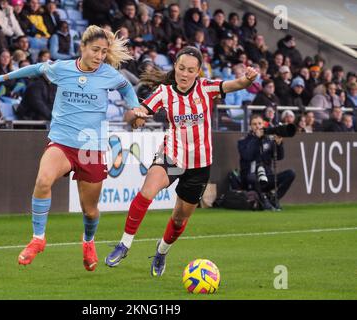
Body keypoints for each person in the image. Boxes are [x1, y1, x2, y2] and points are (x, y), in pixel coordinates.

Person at [0, 25, 141, 271]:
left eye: (103, 52)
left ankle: (88, 242)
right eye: (95, 50)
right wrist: (1, 78)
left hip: (92, 147)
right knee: (43, 180)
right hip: (62, 142)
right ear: (82, 47)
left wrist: (135, 106)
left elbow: (127, 88)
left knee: (90, 211)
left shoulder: (109, 74)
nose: (99, 56)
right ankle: (38, 238)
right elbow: (35, 69)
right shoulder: (62, 68)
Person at [104, 46, 259, 276]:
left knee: (178, 219)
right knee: (147, 191)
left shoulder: (207, 88)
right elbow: (135, 115)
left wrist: (246, 79)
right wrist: (136, 118)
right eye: (181, 68)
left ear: (198, 73)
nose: (185, 74)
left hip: (199, 165)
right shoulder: (164, 93)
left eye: (191, 70)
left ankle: (161, 251)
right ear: (175, 66)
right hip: (172, 156)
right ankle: (124, 244)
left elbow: (235, 85)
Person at [238, 114, 295, 211]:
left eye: (259, 123)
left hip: (267, 177)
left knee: (290, 173)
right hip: (251, 178)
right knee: (252, 176)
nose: (257, 126)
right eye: (254, 124)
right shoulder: (243, 141)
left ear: (263, 124)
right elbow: (247, 156)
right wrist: (256, 138)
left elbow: (280, 157)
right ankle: (264, 202)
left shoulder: (268, 140)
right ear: (250, 126)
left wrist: (279, 144)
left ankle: (273, 199)